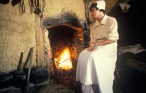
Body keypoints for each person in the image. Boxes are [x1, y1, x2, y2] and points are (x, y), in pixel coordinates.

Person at [76, 0, 119, 93]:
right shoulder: (93, 26)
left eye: (94, 10)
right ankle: (89, 85)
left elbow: (113, 39)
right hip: (97, 46)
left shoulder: (111, 20)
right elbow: (92, 40)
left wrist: (96, 44)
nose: (92, 13)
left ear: (101, 10)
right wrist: (92, 45)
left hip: (108, 46)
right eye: (91, 11)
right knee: (82, 54)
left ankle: (101, 84)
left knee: (92, 56)